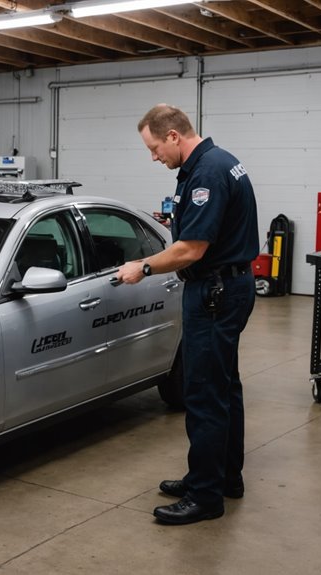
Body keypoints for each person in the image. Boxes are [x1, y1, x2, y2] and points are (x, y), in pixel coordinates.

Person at [115, 104, 259, 525]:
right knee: (224, 387)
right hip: (227, 285)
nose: (153, 156)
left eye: (155, 147)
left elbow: (191, 249)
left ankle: (205, 496)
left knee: (204, 394)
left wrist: (142, 267)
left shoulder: (207, 174)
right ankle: (222, 477)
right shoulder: (217, 163)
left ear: (174, 136)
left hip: (214, 292)